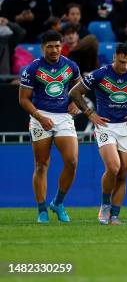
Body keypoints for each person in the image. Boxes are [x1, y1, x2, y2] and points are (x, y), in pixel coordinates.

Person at [68, 43, 127, 225]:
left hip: (126, 127)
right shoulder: (100, 74)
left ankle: (114, 216)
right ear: (114, 58)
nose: (125, 66)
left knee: (124, 172)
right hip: (105, 126)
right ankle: (104, 206)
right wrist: (90, 114)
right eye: (122, 62)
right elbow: (75, 92)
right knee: (113, 167)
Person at [18, 31, 81, 223]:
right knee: (41, 165)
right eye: (50, 46)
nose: (54, 50)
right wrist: (39, 116)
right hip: (40, 116)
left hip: (63, 117)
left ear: (61, 46)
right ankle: (42, 210)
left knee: (72, 162)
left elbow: (80, 89)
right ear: (42, 47)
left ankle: (58, 203)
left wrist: (77, 103)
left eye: (57, 46)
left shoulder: (71, 66)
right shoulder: (33, 68)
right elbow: (23, 99)